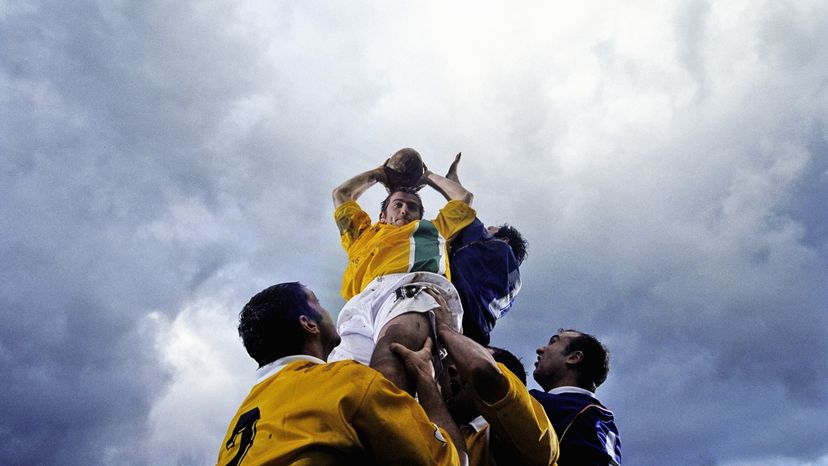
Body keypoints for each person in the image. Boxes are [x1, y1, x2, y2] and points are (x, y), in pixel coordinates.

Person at [216, 282, 465, 466]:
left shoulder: (239, 421)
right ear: (309, 324)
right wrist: (427, 382)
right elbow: (449, 462)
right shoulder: (347, 382)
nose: (325, 310)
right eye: (317, 302)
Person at [327, 148, 477, 394]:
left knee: (391, 363)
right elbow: (341, 194)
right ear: (382, 215)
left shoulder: (433, 229)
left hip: (411, 289)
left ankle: (391, 427)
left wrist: (428, 176)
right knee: (343, 383)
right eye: (397, 205)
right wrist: (378, 174)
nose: (404, 210)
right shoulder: (362, 233)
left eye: (412, 207)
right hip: (362, 303)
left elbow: (463, 198)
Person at [408, 288, 558, 466]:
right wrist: (426, 380)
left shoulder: (536, 439)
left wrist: (445, 329)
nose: (453, 369)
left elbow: (484, 370)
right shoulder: (441, 427)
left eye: (462, 361)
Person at [444, 153, 528, 344]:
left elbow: (461, 203)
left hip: (452, 310)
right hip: (476, 337)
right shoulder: (514, 287)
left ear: (504, 239)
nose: (485, 230)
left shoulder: (496, 248)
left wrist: (450, 177)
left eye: (491, 229)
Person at [530, 329, 622, 466]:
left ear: (574, 357)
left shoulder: (554, 407)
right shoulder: (598, 416)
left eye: (554, 341)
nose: (540, 349)